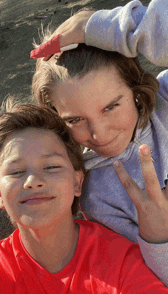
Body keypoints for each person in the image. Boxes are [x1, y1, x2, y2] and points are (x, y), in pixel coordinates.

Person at [0, 98, 168, 293]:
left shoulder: (122, 263)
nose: (33, 181)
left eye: (52, 166)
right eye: (16, 171)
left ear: (77, 182)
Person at [31, 0, 168, 286]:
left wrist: (111, 28)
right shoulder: (95, 196)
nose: (100, 134)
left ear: (134, 87)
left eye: (111, 106)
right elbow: (146, 283)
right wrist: (158, 238)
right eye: (75, 120)